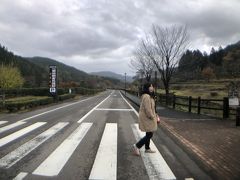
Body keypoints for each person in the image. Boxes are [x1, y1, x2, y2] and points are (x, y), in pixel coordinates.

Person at [133, 83, 158, 156]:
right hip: (147, 117)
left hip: (147, 116)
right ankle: (137, 146)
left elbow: (152, 107)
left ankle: (147, 148)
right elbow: (148, 109)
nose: (152, 87)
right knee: (149, 134)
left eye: (152, 86)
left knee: (149, 133)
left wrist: (155, 114)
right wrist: (152, 116)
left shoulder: (149, 95)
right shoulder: (147, 96)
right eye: (150, 86)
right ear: (147, 88)